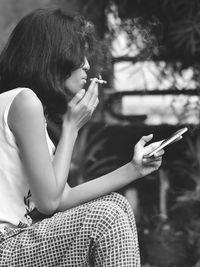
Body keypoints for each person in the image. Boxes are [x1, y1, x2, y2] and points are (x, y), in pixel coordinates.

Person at [0, 8, 164, 267]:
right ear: (53, 53)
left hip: (17, 241)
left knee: (116, 203)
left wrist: (134, 168)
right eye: (80, 53)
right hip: (5, 246)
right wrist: (72, 128)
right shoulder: (24, 100)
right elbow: (49, 201)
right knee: (106, 216)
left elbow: (63, 198)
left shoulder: (28, 109)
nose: (87, 64)